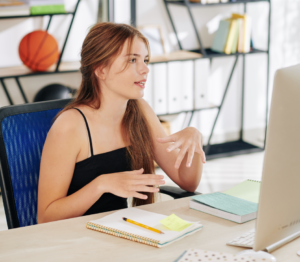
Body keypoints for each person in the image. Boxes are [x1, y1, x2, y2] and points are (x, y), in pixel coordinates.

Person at [37, 22, 206, 223]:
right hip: (76, 241)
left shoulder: (140, 110)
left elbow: (188, 182)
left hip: (120, 231)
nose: (145, 69)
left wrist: (193, 138)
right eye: (133, 60)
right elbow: (46, 217)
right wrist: (101, 184)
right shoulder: (70, 126)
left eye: (145, 60)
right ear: (101, 70)